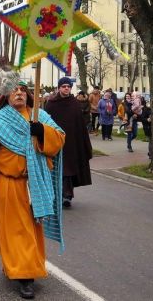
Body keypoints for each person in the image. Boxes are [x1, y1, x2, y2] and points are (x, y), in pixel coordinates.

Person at [0, 76, 65, 300]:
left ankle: (24, 267)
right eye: (14, 90)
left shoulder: (41, 115)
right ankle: (25, 276)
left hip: (37, 183)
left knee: (32, 231)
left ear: (28, 94)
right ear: (6, 95)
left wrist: (42, 132)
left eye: (22, 89)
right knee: (16, 232)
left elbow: (59, 139)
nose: (19, 93)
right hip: (10, 185)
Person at [45, 77, 92, 208]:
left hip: (72, 142)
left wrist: (83, 142)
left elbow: (80, 124)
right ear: (59, 88)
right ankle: (58, 194)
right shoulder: (51, 104)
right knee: (57, 169)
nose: (66, 88)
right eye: (64, 86)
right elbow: (46, 122)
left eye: (68, 86)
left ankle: (67, 195)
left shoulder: (75, 103)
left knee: (69, 169)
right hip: (56, 141)